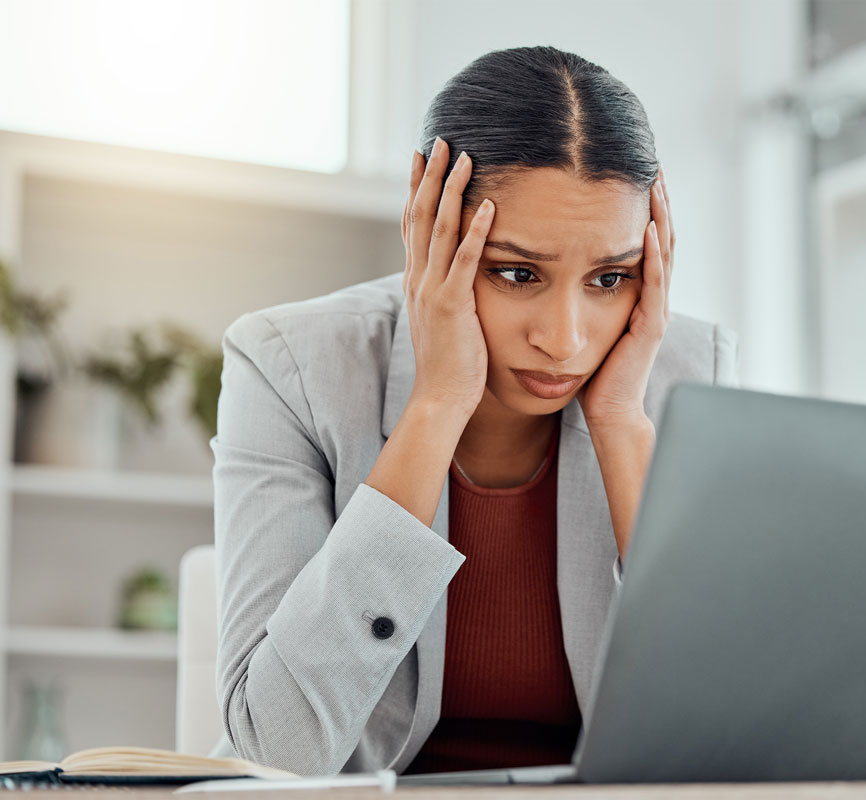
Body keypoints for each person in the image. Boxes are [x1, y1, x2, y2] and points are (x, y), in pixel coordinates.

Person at [208, 45, 739, 777]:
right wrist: (437, 405)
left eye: (609, 277)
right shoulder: (291, 367)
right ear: (430, 231)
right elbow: (277, 755)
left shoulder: (688, 373)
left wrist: (621, 422)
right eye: (517, 273)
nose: (565, 339)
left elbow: (729, 753)